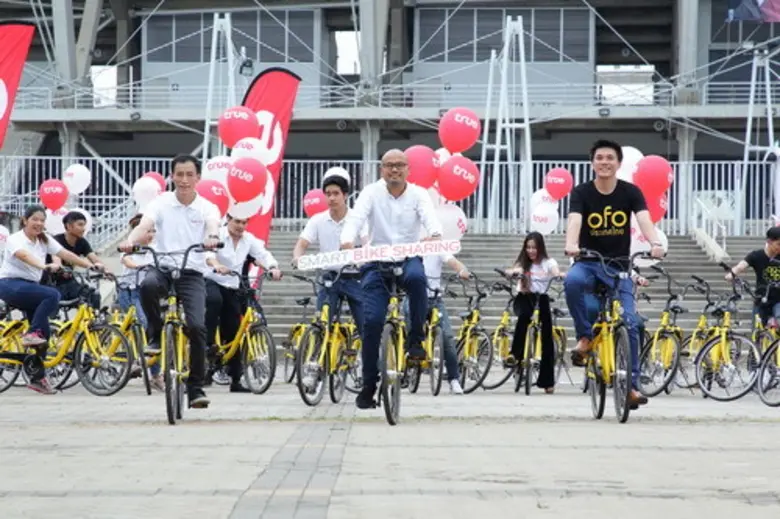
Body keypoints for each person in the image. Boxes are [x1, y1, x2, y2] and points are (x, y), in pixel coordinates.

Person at [563, 139, 664, 408]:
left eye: (610, 157)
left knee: (630, 322)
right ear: (592, 162)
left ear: (618, 163)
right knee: (572, 282)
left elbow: (644, 218)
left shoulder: (630, 192)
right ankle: (585, 338)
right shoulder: (582, 192)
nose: (604, 162)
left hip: (619, 266)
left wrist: (654, 243)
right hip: (588, 261)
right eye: (599, 157)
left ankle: (631, 387)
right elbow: (575, 220)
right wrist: (571, 244)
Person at [340, 149, 443, 409]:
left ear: (408, 169)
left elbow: (431, 219)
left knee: (418, 280)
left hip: (408, 257)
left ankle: (416, 339)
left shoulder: (419, 194)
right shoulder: (371, 193)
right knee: (372, 322)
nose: (394, 170)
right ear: (381, 170)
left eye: (399, 165)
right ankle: (368, 385)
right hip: (377, 261)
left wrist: (435, 233)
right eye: (389, 166)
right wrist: (347, 240)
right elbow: (356, 217)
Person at [120, 154, 221, 409]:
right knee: (147, 285)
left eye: (190, 175)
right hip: (162, 268)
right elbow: (146, 224)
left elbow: (213, 226)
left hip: (191, 273)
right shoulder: (160, 202)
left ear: (198, 177)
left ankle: (196, 387)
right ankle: (155, 334)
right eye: (179, 174)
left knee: (197, 327)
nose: (184, 180)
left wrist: (211, 238)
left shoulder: (207, 207)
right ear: (172, 176)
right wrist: (131, 240)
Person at [0, 205, 100, 394]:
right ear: (25, 220)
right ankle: (31, 334)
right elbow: (24, 256)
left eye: (42, 220)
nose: (38, 223)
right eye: (35, 219)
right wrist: (44, 265)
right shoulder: (16, 239)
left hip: (30, 288)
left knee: (44, 336)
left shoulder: (44, 240)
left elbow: (66, 254)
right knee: (52, 294)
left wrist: (92, 266)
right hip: (9, 285)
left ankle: (38, 378)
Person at [206, 214, 282, 392]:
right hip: (213, 281)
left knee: (234, 332)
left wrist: (273, 267)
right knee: (213, 301)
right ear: (229, 220)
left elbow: (262, 254)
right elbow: (209, 255)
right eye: (237, 221)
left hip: (233, 286)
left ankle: (236, 380)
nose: (241, 225)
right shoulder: (217, 234)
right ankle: (208, 345)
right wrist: (216, 264)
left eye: (244, 222)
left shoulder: (249, 240)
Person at [292, 174, 369, 334]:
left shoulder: (358, 219)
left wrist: (360, 256)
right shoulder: (317, 220)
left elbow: (367, 242)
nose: (332, 198)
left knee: (366, 325)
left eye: (336, 193)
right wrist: (297, 257)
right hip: (329, 276)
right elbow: (302, 243)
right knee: (322, 324)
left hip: (354, 276)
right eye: (328, 194)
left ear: (345, 195)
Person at [408, 240, 468, 395]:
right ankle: (407, 367)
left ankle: (454, 378)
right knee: (409, 328)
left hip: (434, 299)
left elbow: (453, 261)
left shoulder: (438, 249)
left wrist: (462, 270)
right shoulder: (410, 247)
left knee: (447, 336)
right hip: (413, 298)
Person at [505, 232, 562, 394]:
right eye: (528, 247)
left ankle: (547, 381)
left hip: (541, 298)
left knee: (546, 337)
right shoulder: (523, 263)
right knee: (523, 317)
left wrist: (558, 275)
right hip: (525, 297)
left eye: (534, 248)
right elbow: (515, 269)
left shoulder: (548, 262)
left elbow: (555, 270)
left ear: (540, 248)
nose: (531, 251)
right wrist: (512, 273)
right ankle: (515, 355)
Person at [118, 213, 163, 391]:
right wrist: (139, 266)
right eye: (146, 231)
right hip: (130, 291)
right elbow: (126, 260)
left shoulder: (157, 248)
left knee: (155, 330)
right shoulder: (130, 247)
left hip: (148, 292)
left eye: (153, 231)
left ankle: (155, 374)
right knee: (145, 324)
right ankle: (139, 361)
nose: (150, 234)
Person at [46, 211, 104, 309]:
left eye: (84, 225)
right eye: (80, 225)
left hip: (70, 282)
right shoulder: (56, 241)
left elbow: (94, 259)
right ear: (68, 226)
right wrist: (61, 269)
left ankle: (93, 323)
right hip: (51, 283)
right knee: (51, 309)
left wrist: (103, 269)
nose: (83, 229)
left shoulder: (82, 242)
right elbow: (56, 259)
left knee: (93, 295)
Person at [725, 226, 780, 327]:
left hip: (779, 299)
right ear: (769, 241)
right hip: (761, 298)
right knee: (756, 331)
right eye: (778, 244)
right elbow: (741, 266)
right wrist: (732, 274)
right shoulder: (756, 256)